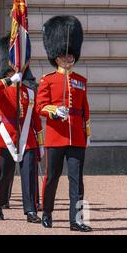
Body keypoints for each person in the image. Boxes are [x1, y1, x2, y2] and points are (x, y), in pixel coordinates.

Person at [37, 15, 92, 232]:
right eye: (64, 54)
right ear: (55, 56)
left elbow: (85, 109)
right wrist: (53, 111)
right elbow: (40, 106)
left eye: (71, 54)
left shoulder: (81, 80)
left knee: (77, 181)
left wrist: (87, 133)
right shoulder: (47, 80)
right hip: (56, 136)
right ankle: (47, 213)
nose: (68, 58)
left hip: (76, 137)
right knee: (51, 178)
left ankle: (77, 219)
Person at [0, 37, 44, 223]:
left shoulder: (29, 92)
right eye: (13, 69)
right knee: (4, 175)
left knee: (29, 176)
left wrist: (41, 143)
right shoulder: (3, 89)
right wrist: (9, 80)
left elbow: (35, 117)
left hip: (28, 138)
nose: (17, 71)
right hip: (8, 137)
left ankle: (30, 210)